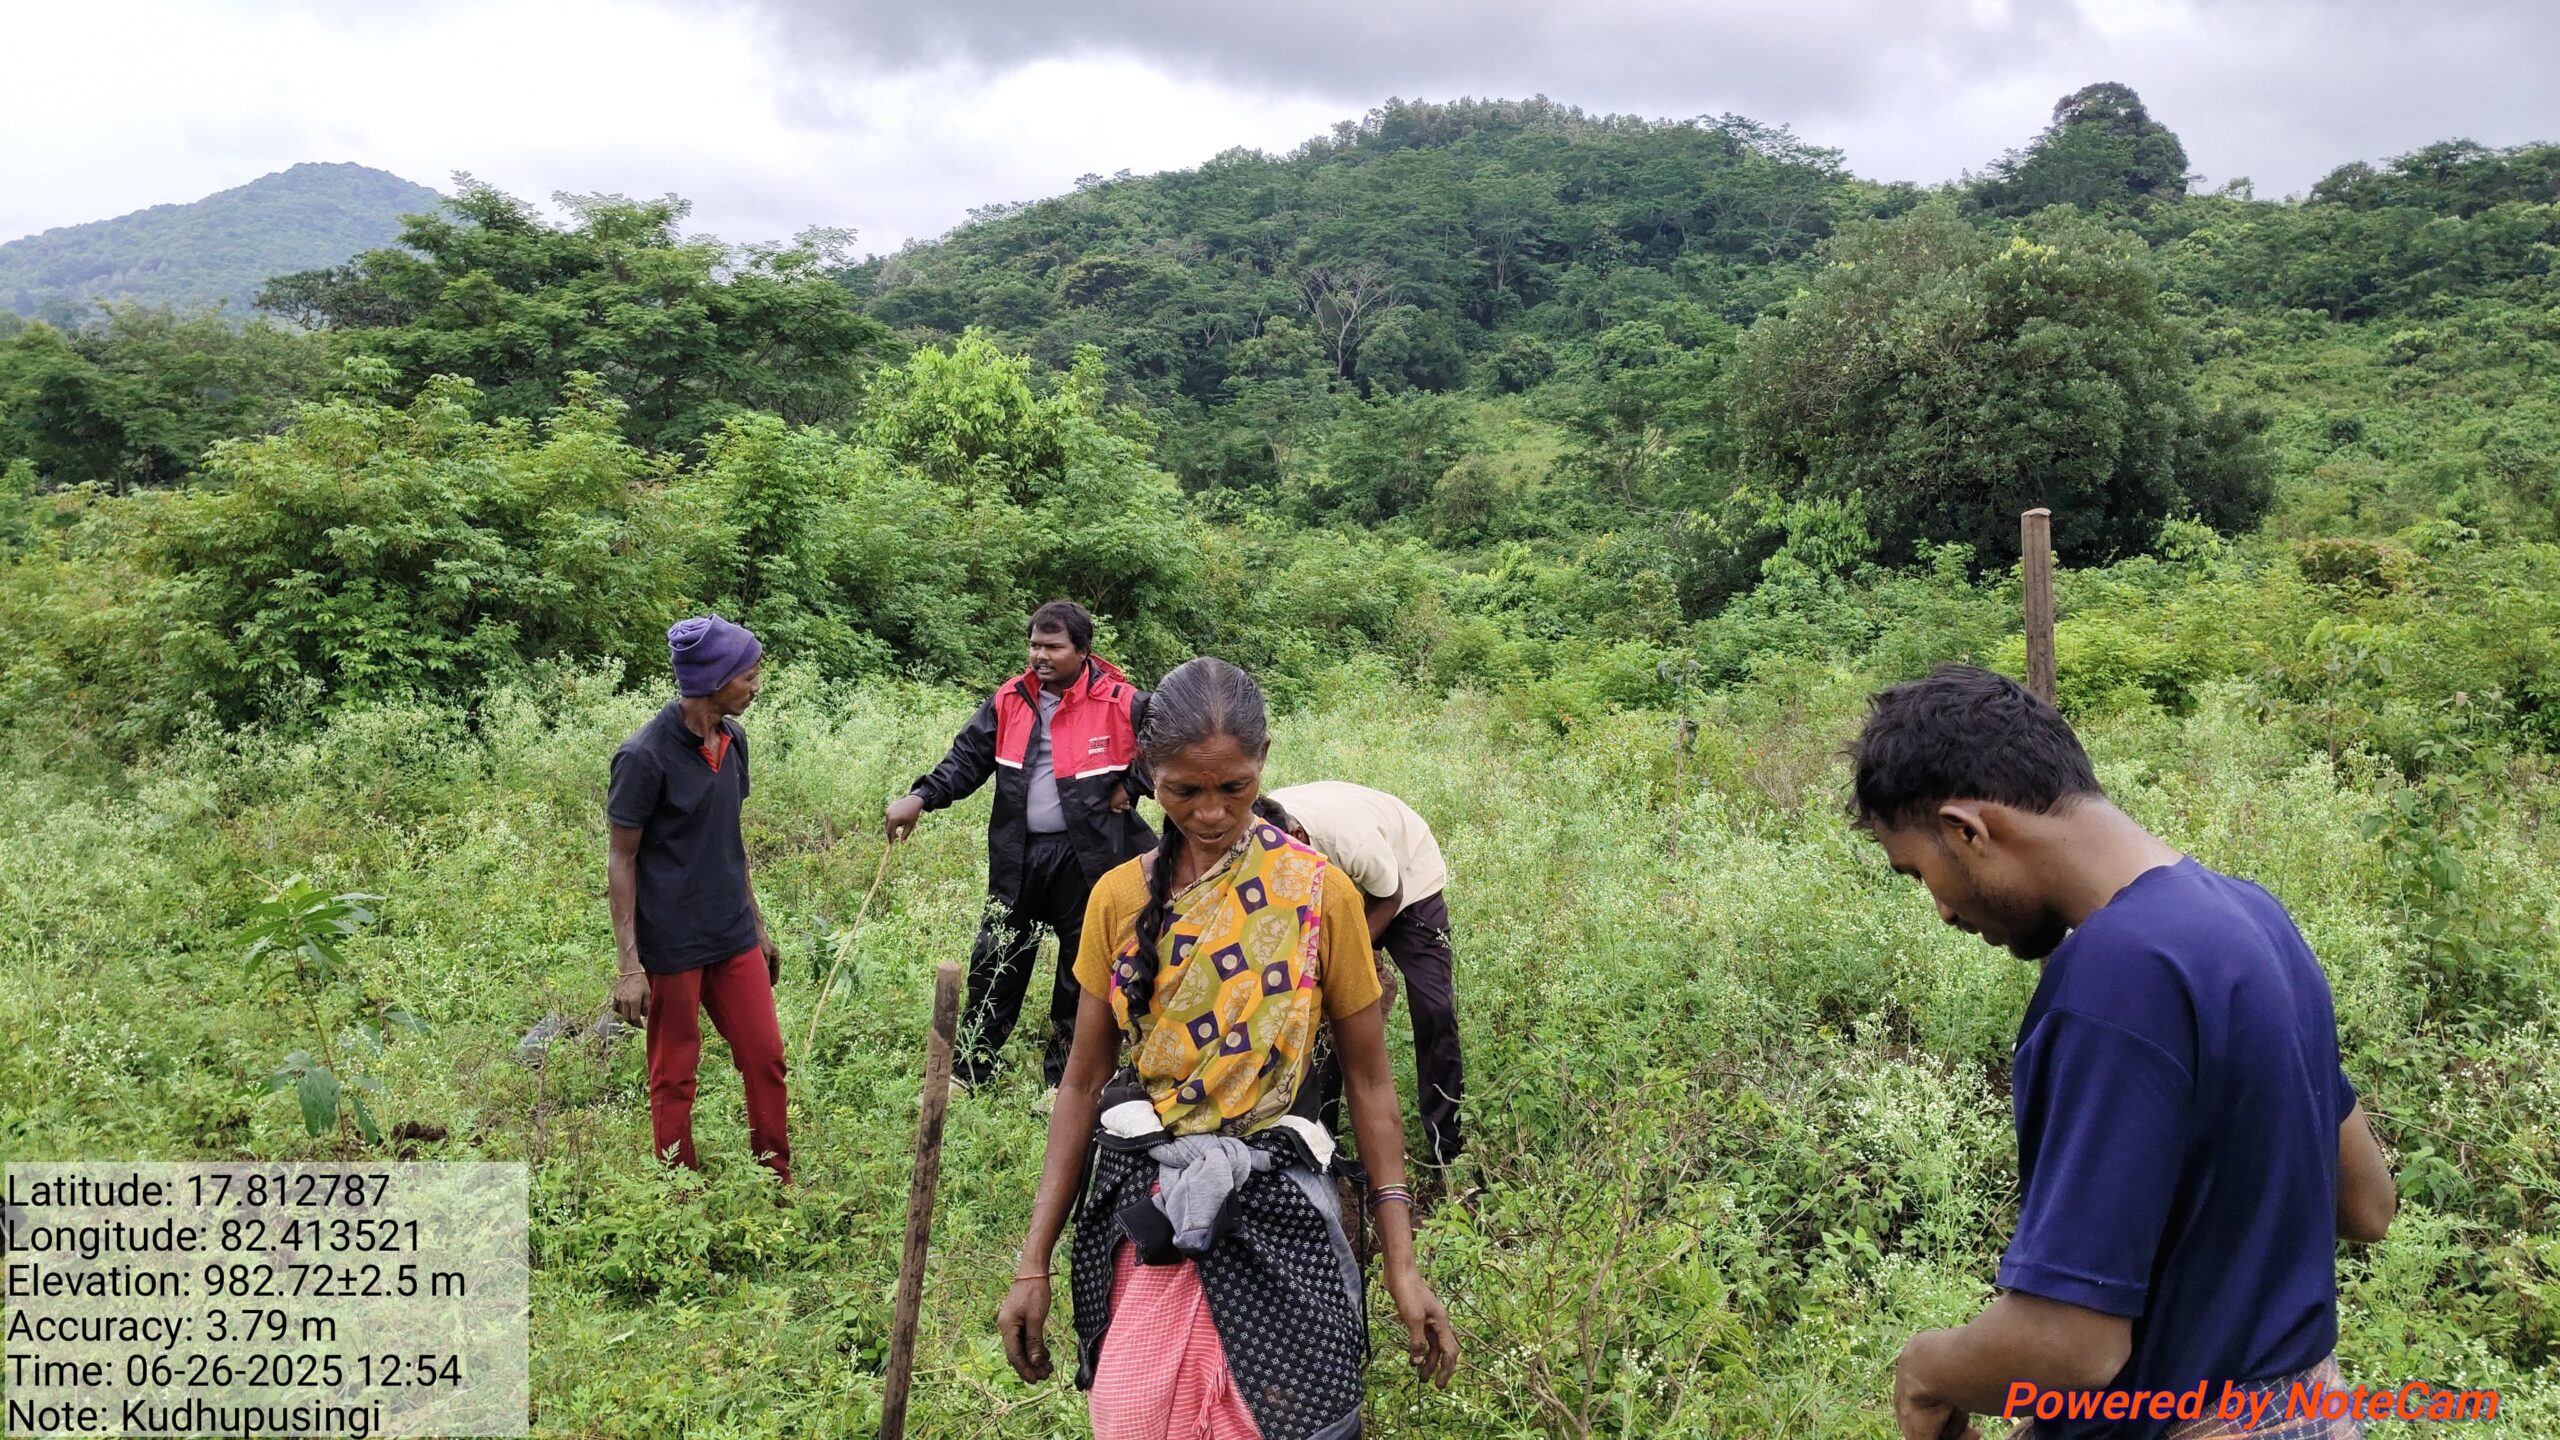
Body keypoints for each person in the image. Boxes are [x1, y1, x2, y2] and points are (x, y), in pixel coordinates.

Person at [1853, 667, 2396, 1440]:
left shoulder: (2117, 975)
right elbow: (2366, 1203)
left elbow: (2072, 1346)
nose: (1941, 909)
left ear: (1967, 829)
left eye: (1919, 873)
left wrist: (1925, 1370)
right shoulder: (2252, 916)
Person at [996, 656, 1458, 1439]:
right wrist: (1032, 1260)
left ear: (1264, 762)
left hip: (1279, 1199)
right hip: (1154, 1199)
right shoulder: (1116, 899)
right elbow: (1081, 1084)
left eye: (1234, 787)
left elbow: (1371, 1085)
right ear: (1148, 771)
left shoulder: (1320, 893)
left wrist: (1402, 1266)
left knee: (1291, 1418)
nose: (1210, 813)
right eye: (1184, 791)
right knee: (1136, 1415)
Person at [884, 601, 1155, 1095]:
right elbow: (966, 759)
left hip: (1089, 858)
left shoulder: (1122, 702)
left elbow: (1170, 745)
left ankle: (1065, 1083)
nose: (1040, 656)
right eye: (1034, 645)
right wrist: (921, 797)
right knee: (997, 956)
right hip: (1019, 854)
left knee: (1081, 970)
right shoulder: (1011, 699)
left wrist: (1132, 784)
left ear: (1083, 651)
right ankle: (969, 1070)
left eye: (1053, 647)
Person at [606, 616, 790, 1183]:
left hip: (731, 933)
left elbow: (730, 839)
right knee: (674, 1074)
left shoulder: (734, 742)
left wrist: (757, 925)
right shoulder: (643, 756)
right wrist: (630, 966)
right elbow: (622, 859)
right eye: (749, 676)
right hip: (672, 944)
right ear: (714, 681)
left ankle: (776, 1178)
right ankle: (678, 1192)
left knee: (765, 1057)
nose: (756, 687)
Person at [1263, 781, 1465, 1165]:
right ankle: (1321, 1140)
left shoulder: (1352, 842)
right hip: (1333, 892)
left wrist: (1348, 956)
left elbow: (1390, 895)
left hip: (1405, 887)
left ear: (1298, 836)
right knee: (1319, 1008)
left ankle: (1447, 1147)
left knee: (1433, 1009)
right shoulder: (1262, 835)